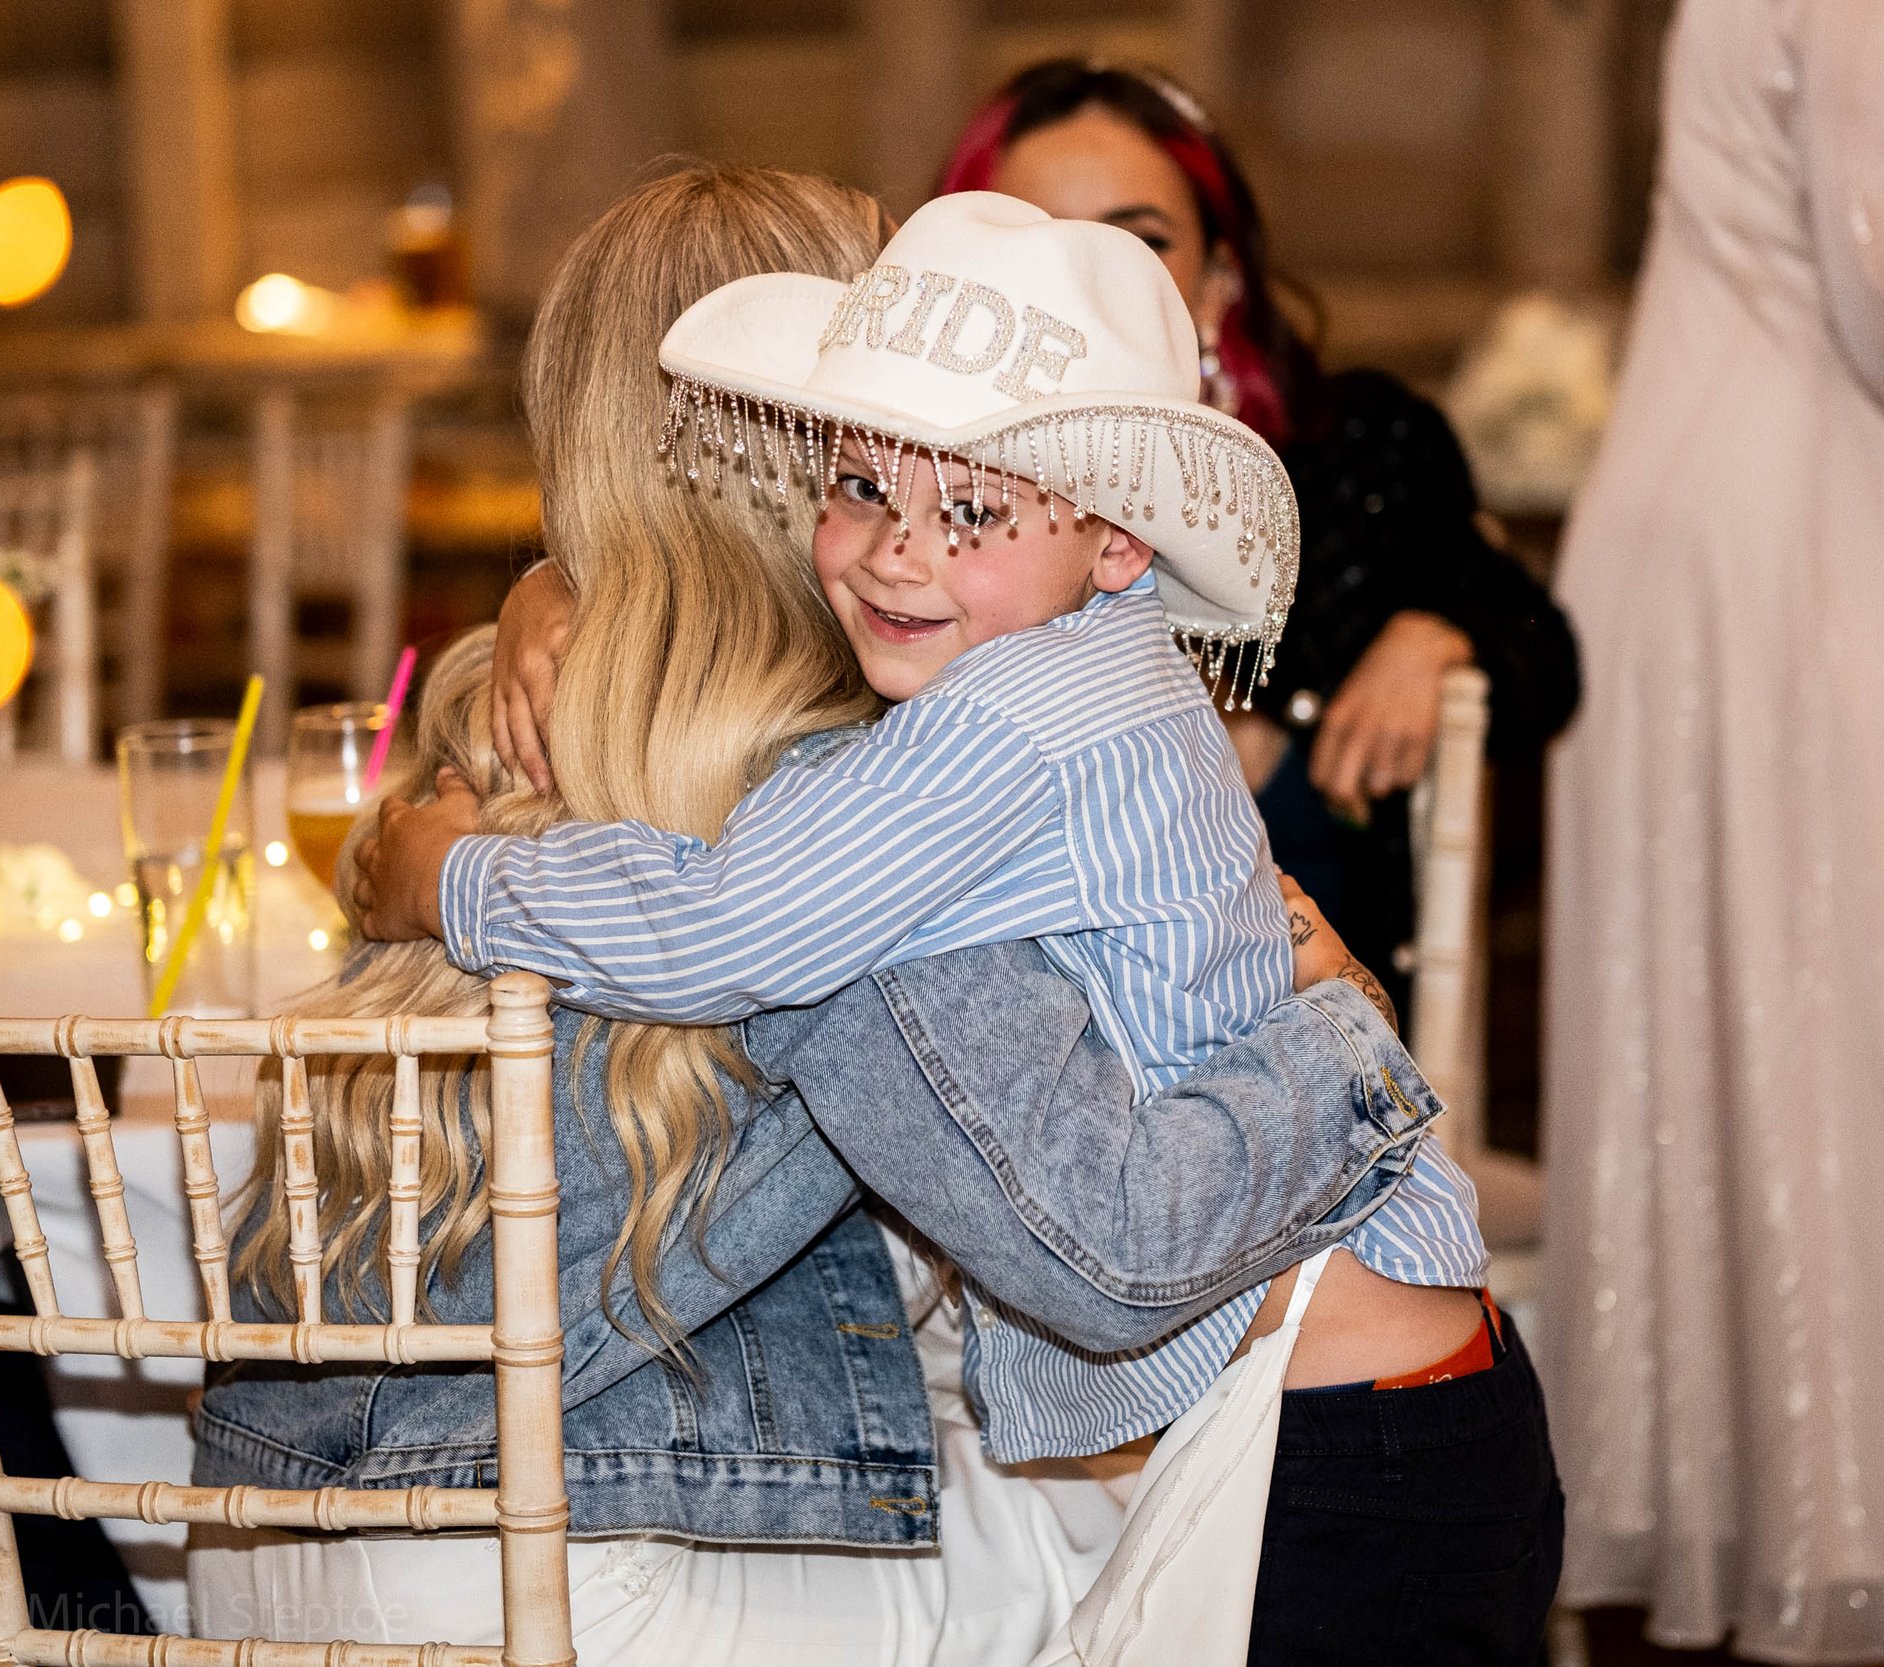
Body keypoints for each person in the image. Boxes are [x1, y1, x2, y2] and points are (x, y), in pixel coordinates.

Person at [186, 166, 1467, 1666]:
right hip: (562, 1563)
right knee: (1147, 1546)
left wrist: (544, 588)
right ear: (804, 441)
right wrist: (1350, 1041)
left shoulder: (492, 699)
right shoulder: (859, 803)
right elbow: (1084, 1245)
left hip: (255, 1532)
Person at [491, 63, 1582, 1012]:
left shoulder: (1350, 449)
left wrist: (1437, 634)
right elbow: (733, 568)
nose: (1067, 273)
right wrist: (568, 582)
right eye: (1028, 233)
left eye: (1132, 242)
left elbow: (1538, 635)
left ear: (1218, 280)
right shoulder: (900, 522)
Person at [1543, 0, 1884, 1659]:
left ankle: (1745, 1489)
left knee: (1760, 1023)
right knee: (1816, 1021)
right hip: (1787, 547)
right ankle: (1822, 1506)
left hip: (1719, 514)